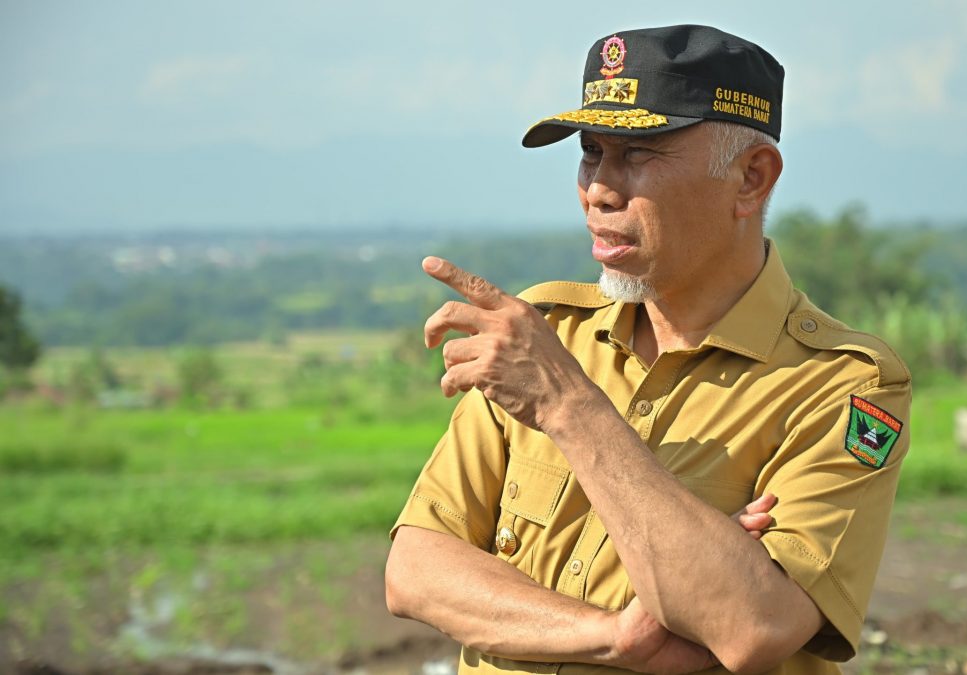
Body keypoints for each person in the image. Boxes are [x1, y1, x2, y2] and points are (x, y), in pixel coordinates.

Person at [385, 24, 911, 675]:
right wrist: (613, 634)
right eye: (590, 152)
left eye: (638, 154)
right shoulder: (548, 334)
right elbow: (415, 570)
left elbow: (752, 625)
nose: (599, 189)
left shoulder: (843, 385)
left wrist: (567, 405)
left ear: (751, 178)